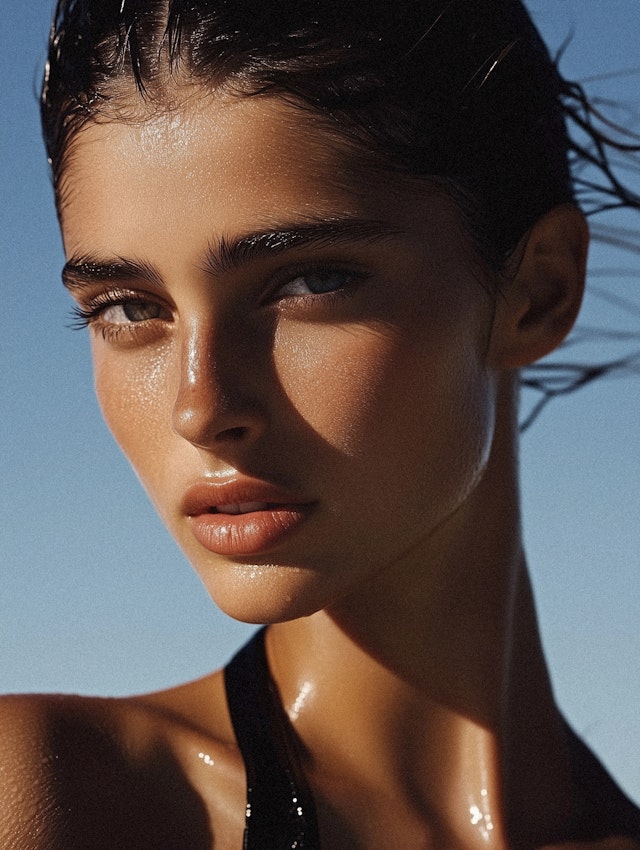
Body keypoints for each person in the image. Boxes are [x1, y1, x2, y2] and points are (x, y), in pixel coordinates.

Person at [1, 0, 639, 846]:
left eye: (311, 283)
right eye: (127, 307)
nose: (201, 407)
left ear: (538, 292)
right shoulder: (56, 797)